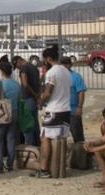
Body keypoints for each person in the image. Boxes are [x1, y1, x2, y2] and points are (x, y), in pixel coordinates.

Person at [33, 45, 71, 178]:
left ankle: (44, 169)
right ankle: (60, 168)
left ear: (48, 58)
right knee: (62, 139)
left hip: (54, 109)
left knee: (45, 138)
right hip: (66, 109)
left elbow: (48, 92)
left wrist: (41, 102)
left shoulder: (51, 73)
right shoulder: (66, 71)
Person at [0, 62, 21, 174]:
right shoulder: (17, 84)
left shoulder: (0, 84)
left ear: (1, 72)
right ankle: (10, 165)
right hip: (15, 112)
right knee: (11, 139)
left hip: (3, 113)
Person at [14, 56, 41, 146]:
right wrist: (37, 96)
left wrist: (34, 94)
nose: (17, 68)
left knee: (28, 124)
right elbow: (39, 82)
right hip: (34, 99)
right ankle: (38, 145)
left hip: (27, 98)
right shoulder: (34, 67)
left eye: (16, 65)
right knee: (35, 123)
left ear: (19, 61)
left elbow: (25, 84)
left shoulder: (24, 68)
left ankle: (30, 147)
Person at [60, 56, 87, 143]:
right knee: (62, 136)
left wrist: (79, 107)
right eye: (63, 64)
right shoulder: (58, 77)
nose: (65, 66)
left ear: (70, 65)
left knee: (77, 135)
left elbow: (81, 92)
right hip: (61, 111)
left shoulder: (76, 77)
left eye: (66, 64)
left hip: (73, 111)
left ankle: (81, 154)